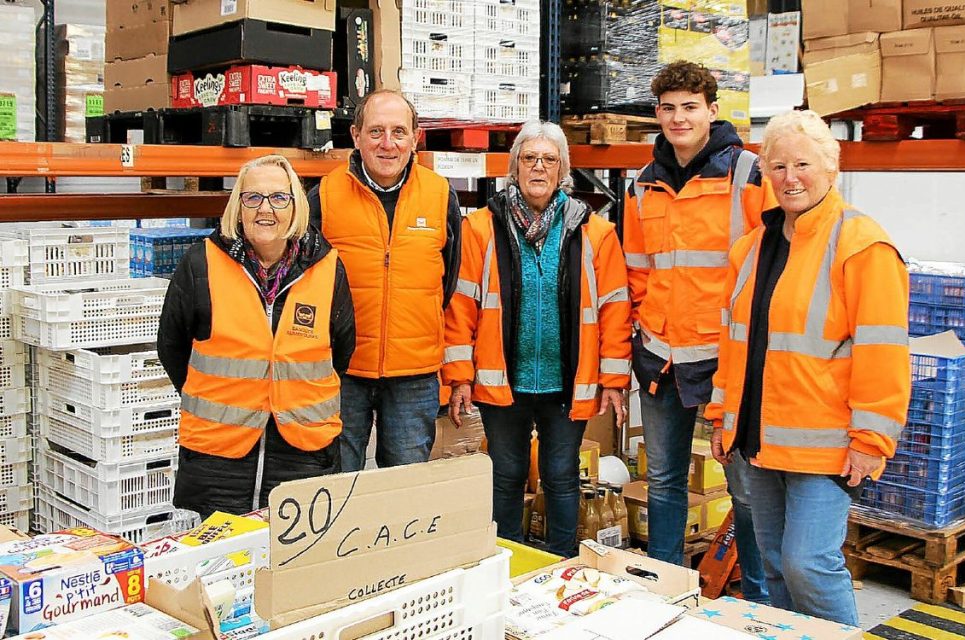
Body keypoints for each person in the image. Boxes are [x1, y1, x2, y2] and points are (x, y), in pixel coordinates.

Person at [706, 110, 910, 626]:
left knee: (808, 564)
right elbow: (734, 343)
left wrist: (871, 439)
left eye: (803, 164)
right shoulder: (752, 248)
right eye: (777, 166)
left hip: (825, 445)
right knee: (775, 567)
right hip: (759, 441)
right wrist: (721, 414)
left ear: (831, 168)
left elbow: (882, 350)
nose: (790, 177)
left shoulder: (862, 245)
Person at [621, 59, 774, 600]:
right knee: (664, 482)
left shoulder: (750, 174)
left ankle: (756, 601)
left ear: (712, 111)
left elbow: (772, 266)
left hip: (724, 363)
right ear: (657, 114)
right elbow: (636, 271)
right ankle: (663, 593)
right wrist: (640, 338)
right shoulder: (643, 184)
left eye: (690, 107)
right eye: (668, 108)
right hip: (662, 357)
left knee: (746, 490)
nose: (679, 118)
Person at [444, 121, 631, 558]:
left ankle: (560, 565)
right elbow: (460, 308)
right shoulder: (481, 229)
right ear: (514, 168)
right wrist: (459, 377)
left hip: (566, 383)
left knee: (561, 476)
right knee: (506, 475)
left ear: (563, 169)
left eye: (549, 160)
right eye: (529, 159)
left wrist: (613, 380)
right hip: (501, 384)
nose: (539, 168)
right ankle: (506, 561)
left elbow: (615, 310)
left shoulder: (595, 232)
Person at [158, 155, 356, 519]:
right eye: (253, 198)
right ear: (238, 206)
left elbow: (341, 350)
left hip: (302, 459)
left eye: (279, 198)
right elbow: (172, 348)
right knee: (222, 566)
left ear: (296, 206)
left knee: (292, 567)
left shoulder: (327, 267)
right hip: (220, 462)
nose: (266, 209)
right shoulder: (200, 264)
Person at [308, 89, 462, 471]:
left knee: (405, 490)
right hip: (342, 371)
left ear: (415, 138)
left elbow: (449, 278)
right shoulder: (324, 197)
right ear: (356, 136)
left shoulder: (440, 195)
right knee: (337, 484)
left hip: (414, 375)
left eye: (398, 131)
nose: (387, 144)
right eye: (376, 131)